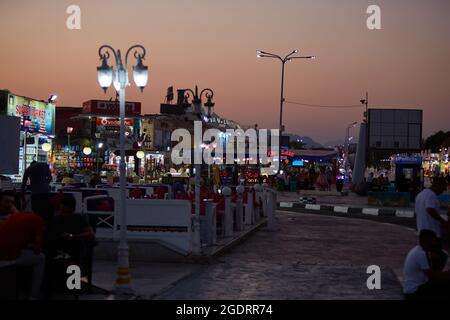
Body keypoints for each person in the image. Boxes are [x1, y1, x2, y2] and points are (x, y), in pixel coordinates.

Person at [0, 191, 46, 300]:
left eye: (12, 203)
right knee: (41, 258)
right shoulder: (17, 218)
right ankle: (33, 296)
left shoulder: (15, 218)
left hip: (11, 253)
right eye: (7, 202)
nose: (10, 205)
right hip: (7, 257)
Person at [403, 229, 450, 300]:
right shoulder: (420, 254)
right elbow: (434, 277)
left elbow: (435, 273)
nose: (435, 243)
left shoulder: (418, 250)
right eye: (433, 241)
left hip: (415, 287)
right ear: (427, 241)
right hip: (414, 291)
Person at [50, 195, 95, 263]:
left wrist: (72, 236)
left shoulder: (78, 219)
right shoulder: (55, 219)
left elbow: (91, 234)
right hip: (58, 249)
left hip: (72, 250)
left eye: (63, 205)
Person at [415, 177, 448, 245]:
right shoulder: (431, 195)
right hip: (431, 233)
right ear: (437, 186)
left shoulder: (421, 195)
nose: (442, 192)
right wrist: (442, 221)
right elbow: (430, 209)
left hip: (422, 231)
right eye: (442, 188)